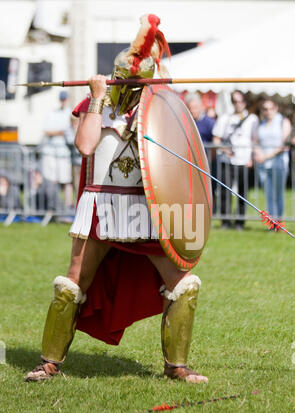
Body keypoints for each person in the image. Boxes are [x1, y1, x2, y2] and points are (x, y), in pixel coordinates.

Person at [25, 14, 208, 385]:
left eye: (137, 82)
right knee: (75, 280)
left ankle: (177, 366)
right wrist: (95, 99)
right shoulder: (98, 105)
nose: (130, 87)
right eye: (125, 80)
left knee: (182, 281)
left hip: (144, 208)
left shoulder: (157, 109)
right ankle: (49, 362)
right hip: (100, 205)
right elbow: (86, 145)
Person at [212, 90, 258, 230]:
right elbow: (216, 139)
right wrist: (225, 150)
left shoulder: (252, 119)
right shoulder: (225, 118)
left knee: (243, 192)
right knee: (225, 191)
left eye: (241, 101)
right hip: (227, 160)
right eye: (235, 101)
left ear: (245, 102)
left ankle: (239, 222)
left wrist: (251, 158)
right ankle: (225, 222)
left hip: (244, 160)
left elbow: (254, 140)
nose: (238, 104)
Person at [253, 98, 291, 222]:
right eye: (265, 109)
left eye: (270, 108)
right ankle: (272, 221)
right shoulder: (261, 124)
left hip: (279, 162)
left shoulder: (283, 121)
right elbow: (256, 141)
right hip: (263, 164)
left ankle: (278, 220)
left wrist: (266, 156)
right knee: (269, 194)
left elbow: (285, 144)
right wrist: (258, 153)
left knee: (278, 193)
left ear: (276, 108)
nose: (268, 111)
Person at [40, 91, 73, 209]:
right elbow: (47, 130)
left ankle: (68, 206)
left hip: (64, 152)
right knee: (52, 181)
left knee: (66, 181)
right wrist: (58, 132)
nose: (63, 101)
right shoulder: (53, 113)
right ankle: (56, 206)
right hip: (52, 152)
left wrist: (56, 132)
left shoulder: (71, 113)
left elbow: (66, 131)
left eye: (65, 99)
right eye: (62, 99)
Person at [184, 92, 216, 211]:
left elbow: (215, 142)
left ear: (201, 107)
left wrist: (209, 161)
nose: (193, 111)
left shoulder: (209, 122)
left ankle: (209, 210)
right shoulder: (185, 121)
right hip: (189, 162)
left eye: (195, 108)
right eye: (190, 108)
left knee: (207, 189)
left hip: (206, 162)